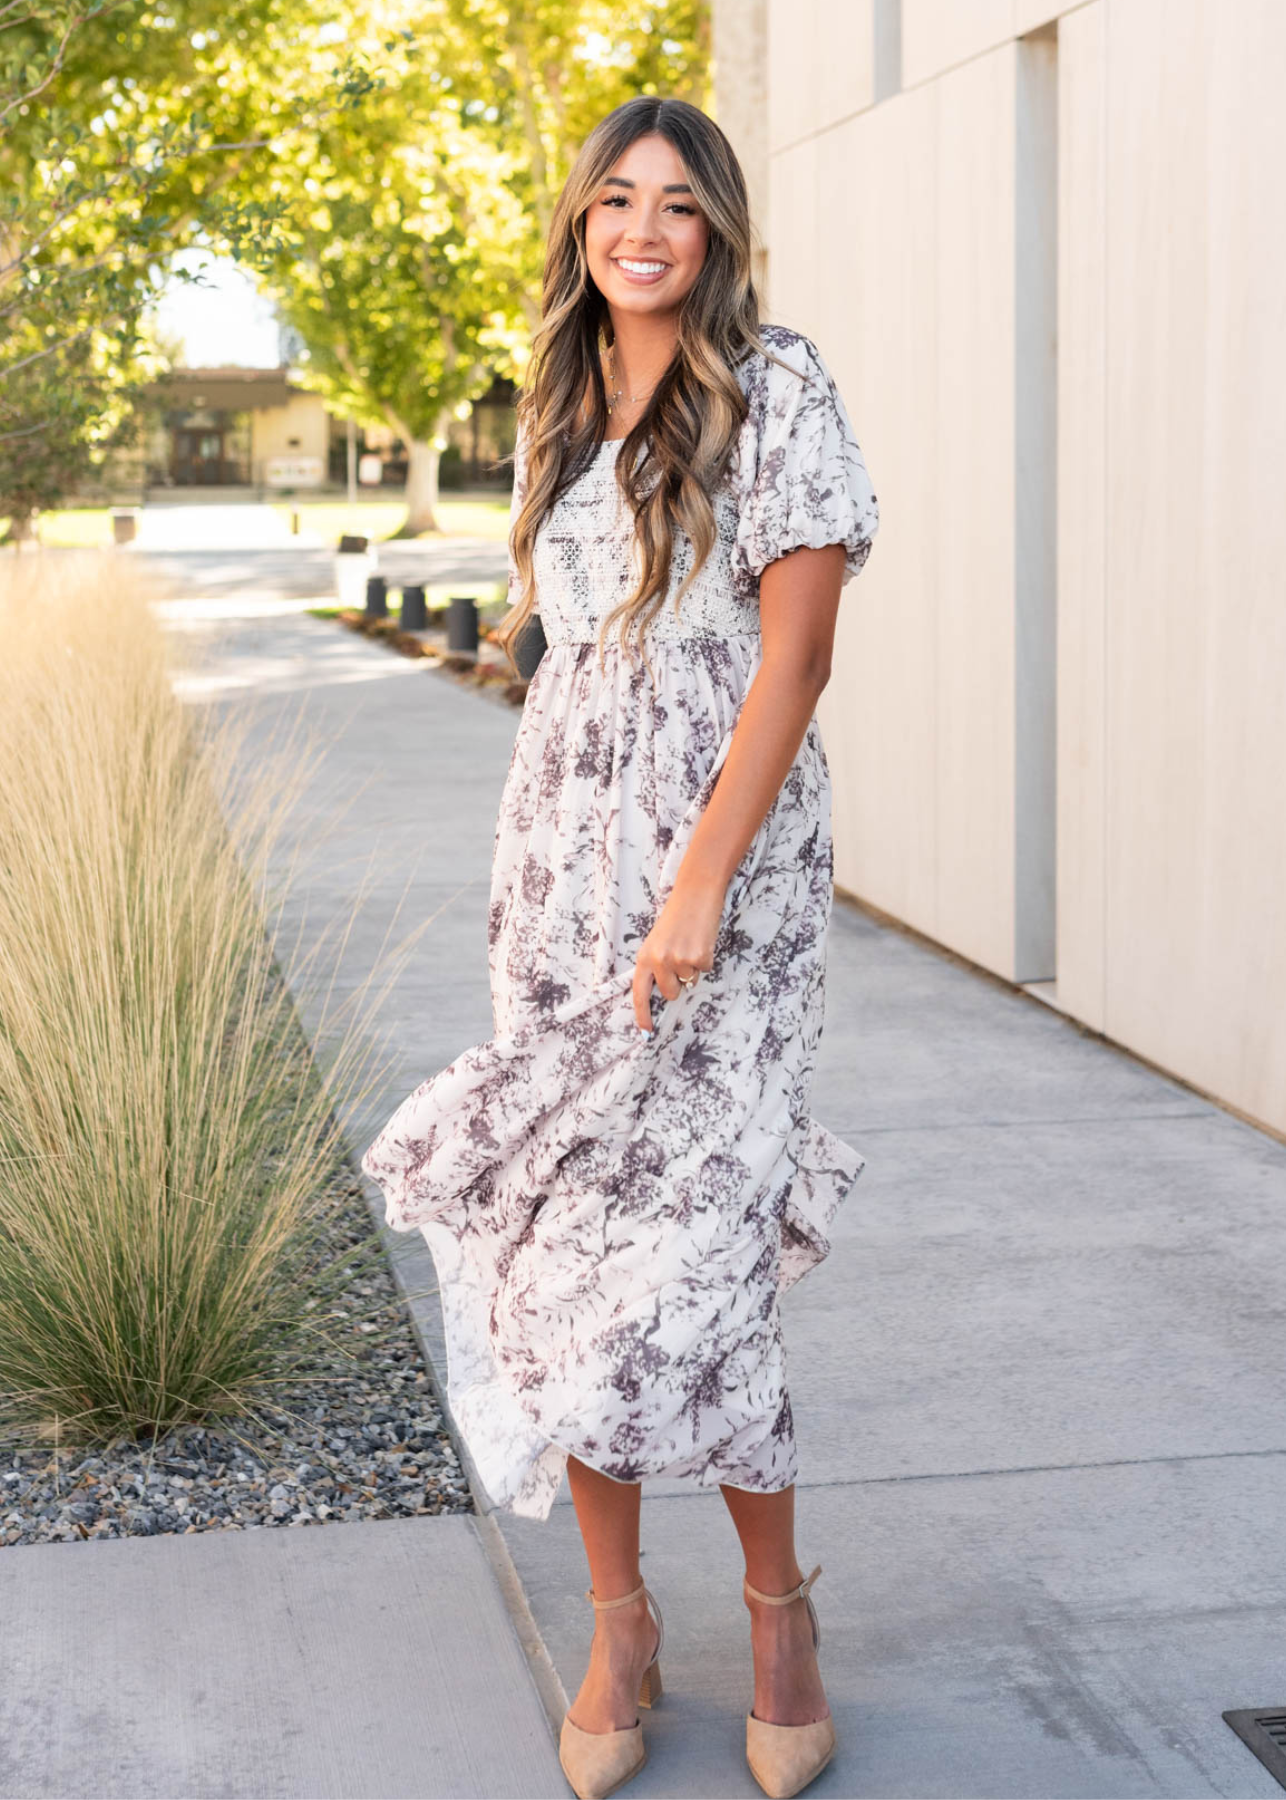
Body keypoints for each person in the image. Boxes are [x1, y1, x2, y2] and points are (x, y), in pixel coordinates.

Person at [361, 93, 879, 1800]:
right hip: (560, 876)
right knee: (564, 1246)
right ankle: (619, 1622)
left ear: (716, 228)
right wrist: (577, 862)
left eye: (675, 203)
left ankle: (777, 1615)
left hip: (722, 879)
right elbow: (567, 658)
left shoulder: (778, 385)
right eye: (613, 203)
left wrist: (698, 883)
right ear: (581, 228)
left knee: (697, 1257)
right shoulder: (563, 395)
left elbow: (788, 671)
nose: (642, 229)